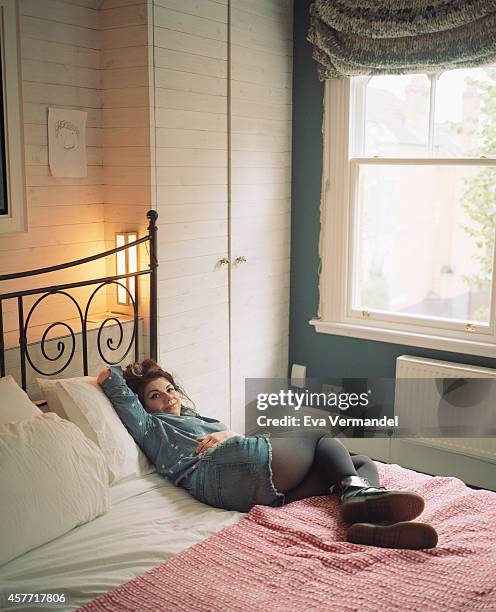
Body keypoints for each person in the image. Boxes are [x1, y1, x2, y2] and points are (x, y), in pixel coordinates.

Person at [97, 360, 438, 550]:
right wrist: (133, 372)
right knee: (317, 434)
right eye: (155, 395)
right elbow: (109, 379)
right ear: (144, 406)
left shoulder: (194, 419)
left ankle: (368, 524)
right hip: (219, 474)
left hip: (251, 489)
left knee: (359, 463)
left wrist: (225, 435)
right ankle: (357, 499)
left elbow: (234, 442)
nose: (167, 397)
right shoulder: (152, 427)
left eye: (169, 389)